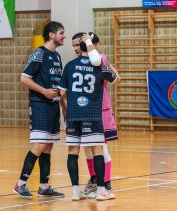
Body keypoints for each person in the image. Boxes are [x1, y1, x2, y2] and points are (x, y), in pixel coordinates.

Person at [59, 34, 118, 201]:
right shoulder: (99, 66)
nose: (76, 47)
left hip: (74, 113)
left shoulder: (70, 65)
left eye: (78, 44)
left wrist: (70, 103)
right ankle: (101, 189)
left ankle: (76, 192)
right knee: (97, 151)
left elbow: (62, 92)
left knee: (73, 152)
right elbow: (115, 78)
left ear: (82, 46)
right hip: (92, 113)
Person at [13, 21, 66, 199]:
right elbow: (24, 78)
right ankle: (20, 184)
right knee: (39, 144)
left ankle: (44, 186)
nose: (63, 36)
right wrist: (44, 92)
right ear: (51, 35)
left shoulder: (57, 56)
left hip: (53, 105)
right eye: (61, 32)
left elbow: (58, 85)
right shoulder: (39, 53)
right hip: (40, 104)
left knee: (48, 146)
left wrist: (63, 106)